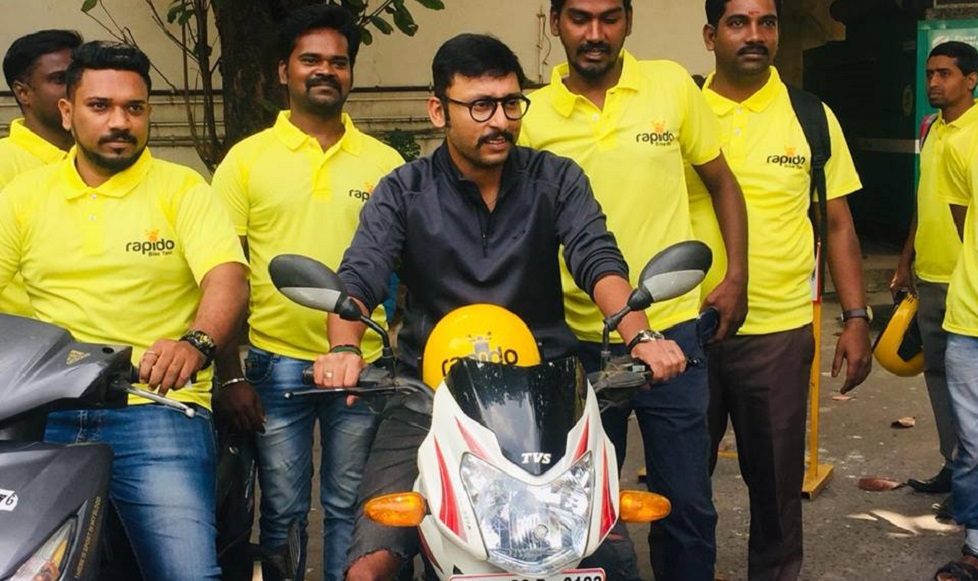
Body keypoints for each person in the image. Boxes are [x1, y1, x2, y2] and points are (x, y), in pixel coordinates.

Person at [314, 33, 688, 581]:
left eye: (511, 103)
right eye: (481, 106)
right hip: (427, 399)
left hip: (546, 402)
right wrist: (344, 349)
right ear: (439, 110)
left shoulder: (556, 179)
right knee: (369, 566)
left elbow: (598, 261)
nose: (500, 122)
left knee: (608, 562)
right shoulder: (403, 191)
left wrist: (643, 336)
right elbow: (359, 279)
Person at [0, 41, 248, 581]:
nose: (120, 122)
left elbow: (226, 277)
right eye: (100, 106)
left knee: (189, 574)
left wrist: (196, 344)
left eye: (134, 108)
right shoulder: (23, 197)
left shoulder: (183, 189)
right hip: (44, 412)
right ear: (67, 111)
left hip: (157, 407)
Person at [519, 0, 750, 578]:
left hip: (671, 332)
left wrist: (736, 277)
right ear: (555, 22)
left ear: (629, 21)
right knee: (574, 503)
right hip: (574, 340)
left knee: (686, 502)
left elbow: (722, 183)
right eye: (579, 18)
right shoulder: (530, 115)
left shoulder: (671, 86)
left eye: (609, 18)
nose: (595, 33)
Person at [210, 5, 404, 580]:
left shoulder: (385, 163)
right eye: (310, 60)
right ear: (283, 71)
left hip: (360, 366)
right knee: (283, 510)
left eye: (338, 62)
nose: (326, 71)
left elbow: (406, 266)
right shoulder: (245, 161)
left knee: (350, 506)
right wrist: (233, 374)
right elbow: (225, 274)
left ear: (350, 73)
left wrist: (392, 339)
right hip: (276, 367)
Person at [688, 1, 873, 579]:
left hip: (778, 335)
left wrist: (857, 317)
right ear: (710, 35)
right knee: (681, 485)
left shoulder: (811, 116)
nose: (755, 35)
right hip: (684, 332)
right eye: (738, 23)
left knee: (776, 490)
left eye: (766, 23)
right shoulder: (681, 110)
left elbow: (837, 224)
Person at [891, 41, 978, 506]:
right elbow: (924, 200)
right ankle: (954, 465)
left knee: (969, 388)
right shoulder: (931, 129)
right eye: (930, 74)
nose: (933, 83)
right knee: (939, 379)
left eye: (945, 74)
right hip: (930, 275)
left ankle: (970, 483)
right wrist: (905, 260)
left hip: (966, 281)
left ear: (972, 80)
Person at [932, 40, 978, 581]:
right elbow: (963, 219)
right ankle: (975, 543)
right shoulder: (957, 139)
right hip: (969, 316)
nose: (934, 82)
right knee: (973, 442)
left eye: (945, 73)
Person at [0, 29, 82, 316]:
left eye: (78, 76)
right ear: (23, 92)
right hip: (23, 337)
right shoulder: (4, 162)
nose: (74, 88)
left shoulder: (107, 159)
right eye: (60, 79)